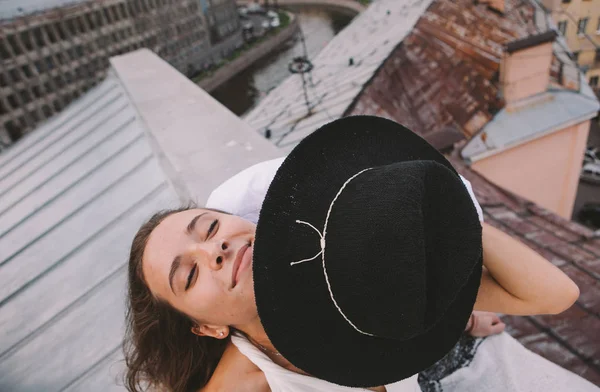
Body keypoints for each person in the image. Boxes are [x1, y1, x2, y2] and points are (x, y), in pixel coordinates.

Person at [124, 116, 581, 392]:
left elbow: (555, 295)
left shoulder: (352, 257)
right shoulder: (249, 376)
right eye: (188, 276)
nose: (215, 250)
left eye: (209, 227)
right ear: (205, 327)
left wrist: (447, 215)